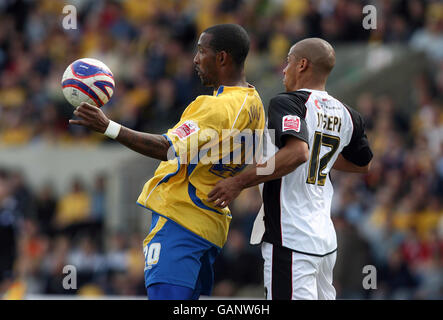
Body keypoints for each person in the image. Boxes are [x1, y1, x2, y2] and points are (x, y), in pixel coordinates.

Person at [69, 24, 265, 300]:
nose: (195, 59)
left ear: (222, 58)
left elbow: (167, 148)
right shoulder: (255, 104)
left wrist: (109, 127)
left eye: (201, 51)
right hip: (209, 226)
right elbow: (260, 161)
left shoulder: (216, 107)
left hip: (180, 221)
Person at [208, 38, 373, 300]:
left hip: (291, 238)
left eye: (288, 61)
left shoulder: (287, 103)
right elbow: (363, 164)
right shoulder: (349, 114)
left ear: (302, 64)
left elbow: (297, 152)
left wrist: (238, 182)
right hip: (324, 240)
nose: (284, 69)